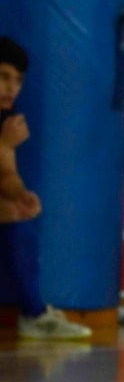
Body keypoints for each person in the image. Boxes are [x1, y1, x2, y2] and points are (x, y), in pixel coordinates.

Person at [0, 37, 93, 340]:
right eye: (3, 77)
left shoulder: (6, 119)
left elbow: (5, 175)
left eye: (18, 80)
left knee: (14, 209)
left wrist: (21, 195)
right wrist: (3, 146)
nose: (11, 88)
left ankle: (33, 313)